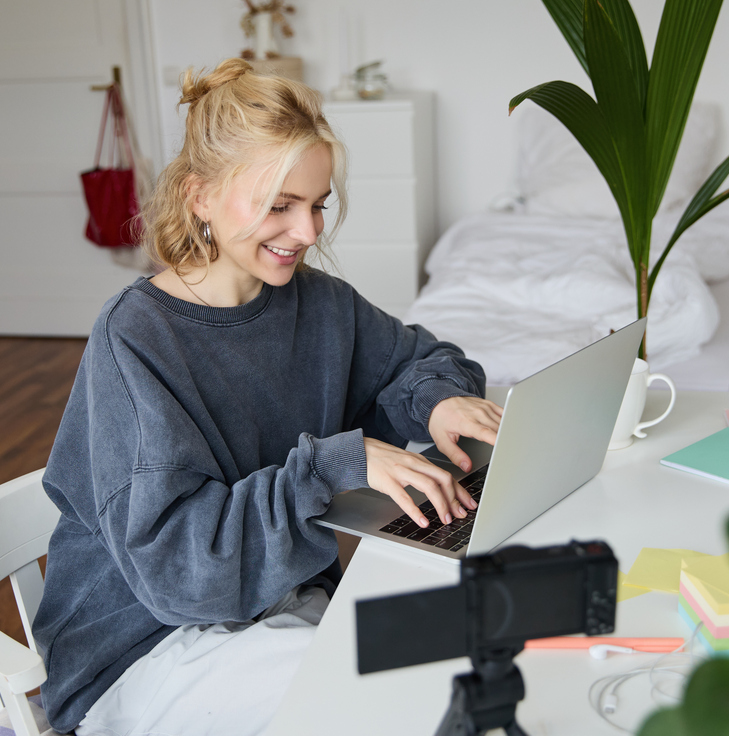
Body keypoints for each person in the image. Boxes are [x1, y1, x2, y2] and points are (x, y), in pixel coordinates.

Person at [32, 58, 503, 736]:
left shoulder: (319, 304)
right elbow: (180, 577)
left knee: (464, 651)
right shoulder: (135, 339)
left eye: (317, 205)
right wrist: (332, 466)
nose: (308, 233)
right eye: (279, 206)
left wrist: (437, 401)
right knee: (406, 700)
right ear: (199, 197)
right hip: (147, 650)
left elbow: (422, 361)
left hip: (280, 608)